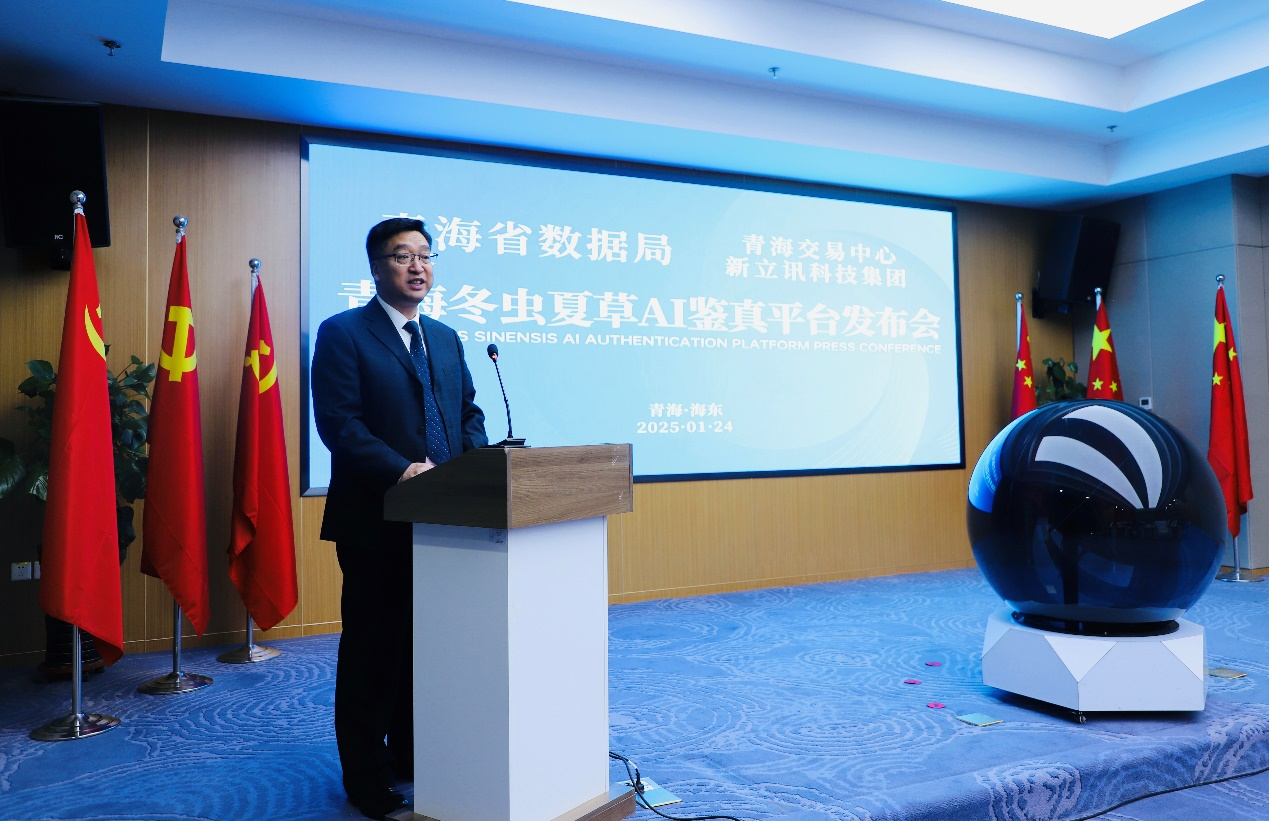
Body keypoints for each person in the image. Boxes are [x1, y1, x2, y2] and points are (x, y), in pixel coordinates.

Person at [311, 217, 487, 820]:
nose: (418, 267)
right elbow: (340, 424)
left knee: (429, 647)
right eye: (402, 256)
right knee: (374, 651)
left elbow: (467, 413)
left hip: (446, 522)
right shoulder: (343, 332)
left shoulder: (445, 337)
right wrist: (402, 469)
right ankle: (366, 776)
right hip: (376, 518)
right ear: (375, 267)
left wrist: (474, 466)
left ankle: (414, 754)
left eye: (426, 256)